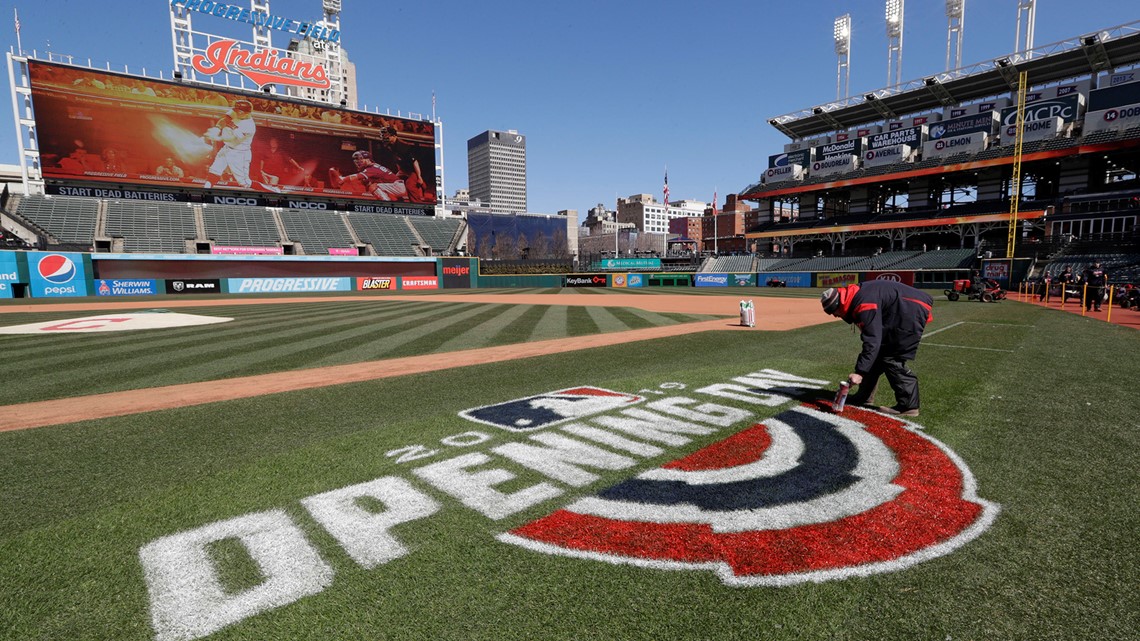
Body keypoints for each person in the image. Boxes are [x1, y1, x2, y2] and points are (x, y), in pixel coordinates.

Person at [821, 280, 934, 417]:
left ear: (839, 304)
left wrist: (860, 372)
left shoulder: (863, 304)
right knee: (879, 353)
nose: (835, 315)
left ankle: (909, 406)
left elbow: (872, 340)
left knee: (891, 357)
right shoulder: (855, 296)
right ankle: (864, 396)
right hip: (905, 306)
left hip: (910, 308)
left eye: (834, 311)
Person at [202, 99, 256, 189]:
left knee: (244, 183)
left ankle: (273, 192)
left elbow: (233, 139)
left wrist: (217, 138)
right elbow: (225, 119)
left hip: (240, 153)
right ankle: (206, 188)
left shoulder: (249, 126)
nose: (234, 112)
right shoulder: (236, 112)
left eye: (237, 111)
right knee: (215, 170)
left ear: (243, 112)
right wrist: (217, 129)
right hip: (227, 148)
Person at [328, 150, 407, 201]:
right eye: (356, 159)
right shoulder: (374, 167)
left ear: (368, 159)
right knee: (370, 184)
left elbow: (357, 176)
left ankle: (386, 204)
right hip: (396, 186)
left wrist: (343, 179)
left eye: (360, 159)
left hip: (397, 186)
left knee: (373, 187)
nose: (358, 161)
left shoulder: (372, 168)